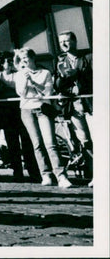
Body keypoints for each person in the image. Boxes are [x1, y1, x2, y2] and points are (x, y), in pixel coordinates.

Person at [14, 47, 72, 188]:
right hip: (27, 110)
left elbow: (47, 92)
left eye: (26, 57)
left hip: (43, 109)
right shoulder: (19, 75)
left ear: (33, 58)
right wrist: (25, 79)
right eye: (22, 59)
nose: (24, 61)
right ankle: (45, 174)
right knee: (37, 144)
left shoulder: (45, 73)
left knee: (50, 143)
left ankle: (61, 176)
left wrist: (33, 82)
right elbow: (21, 93)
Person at [0, 51, 40, 182]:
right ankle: (17, 172)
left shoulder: (20, 75)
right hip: (6, 115)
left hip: (22, 111)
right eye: (6, 61)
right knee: (12, 144)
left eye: (11, 60)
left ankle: (33, 170)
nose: (9, 63)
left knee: (27, 142)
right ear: (1, 63)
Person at [53, 31, 93, 184]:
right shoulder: (60, 62)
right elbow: (57, 86)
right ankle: (94, 174)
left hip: (90, 104)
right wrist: (62, 77)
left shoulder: (88, 58)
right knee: (85, 140)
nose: (63, 44)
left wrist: (78, 75)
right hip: (74, 107)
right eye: (61, 41)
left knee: (99, 138)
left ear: (75, 41)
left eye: (67, 41)